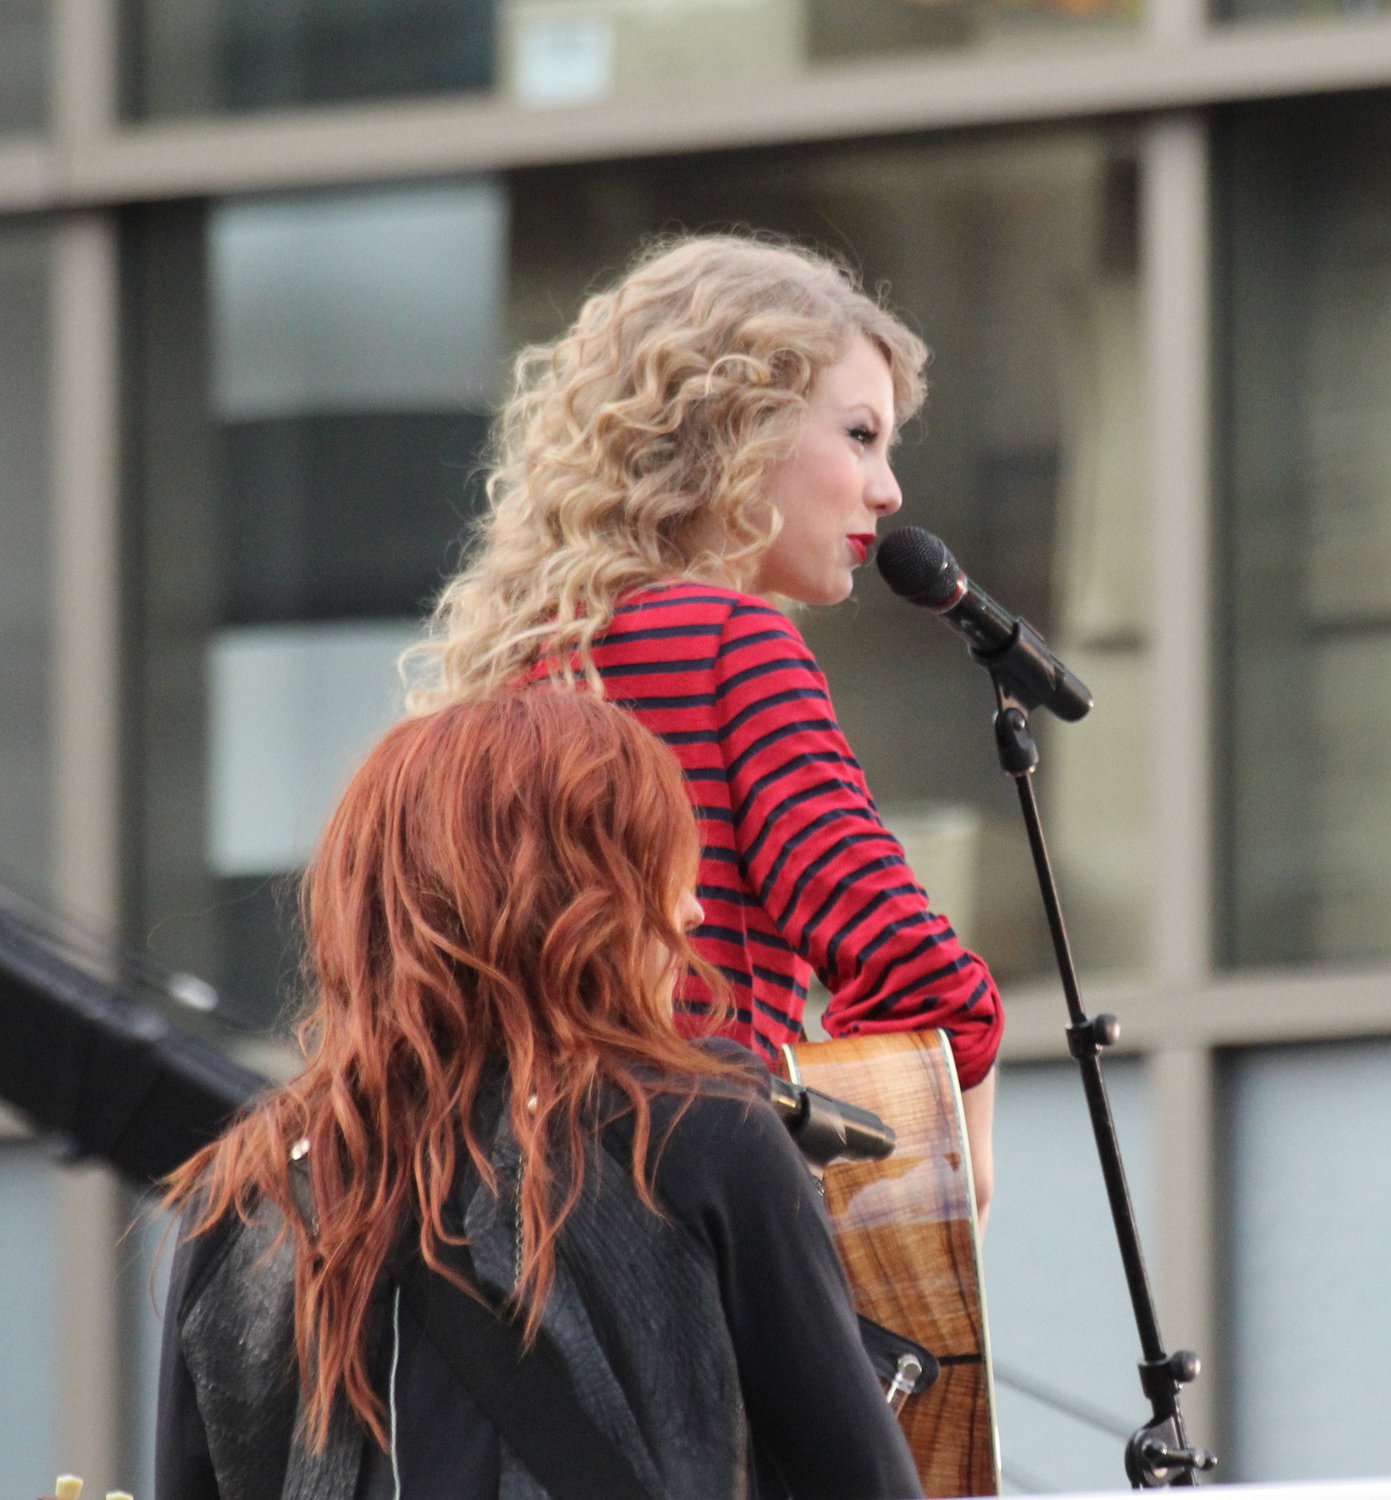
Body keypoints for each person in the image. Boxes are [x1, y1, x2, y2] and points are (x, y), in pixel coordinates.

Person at [155, 690, 924, 1500]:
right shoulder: (694, 1133)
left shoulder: (244, 1198)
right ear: (572, 897)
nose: (693, 912)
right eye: (652, 866)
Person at [408, 234, 1004, 1215]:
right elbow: (920, 980)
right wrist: (947, 1153)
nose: (887, 491)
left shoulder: (508, 676)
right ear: (738, 428)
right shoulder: (729, 642)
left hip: (521, 1223)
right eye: (860, 436)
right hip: (692, 1213)